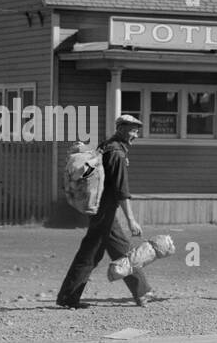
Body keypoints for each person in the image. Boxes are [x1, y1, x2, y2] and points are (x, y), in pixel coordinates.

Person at [57, 113, 162, 309]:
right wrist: (132, 220)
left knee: (105, 251)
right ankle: (142, 292)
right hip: (105, 211)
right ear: (121, 129)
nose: (135, 135)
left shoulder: (106, 146)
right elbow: (122, 192)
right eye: (132, 130)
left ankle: (141, 291)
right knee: (104, 252)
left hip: (98, 208)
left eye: (137, 131)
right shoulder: (118, 154)